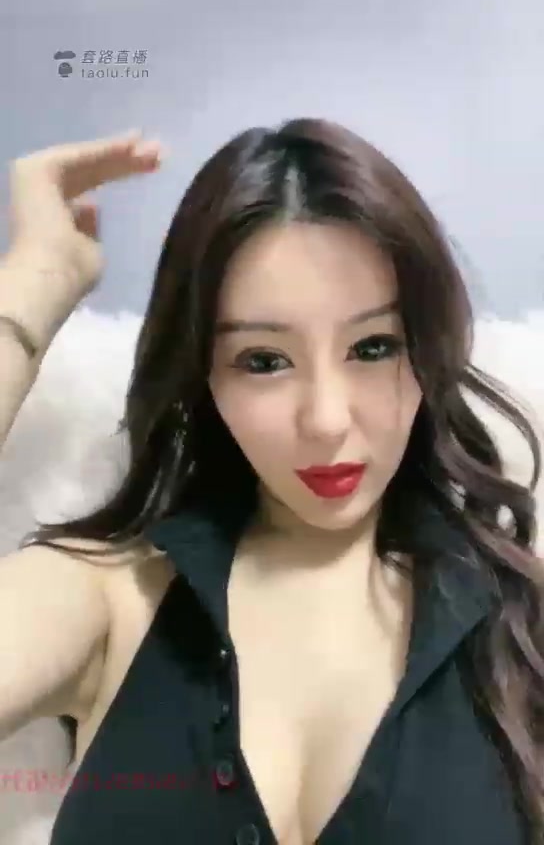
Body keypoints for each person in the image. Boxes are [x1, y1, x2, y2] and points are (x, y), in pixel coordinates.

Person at [0, 119, 542, 845]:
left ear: (428, 352)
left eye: (373, 347)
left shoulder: (522, 633)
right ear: (203, 375)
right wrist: (34, 284)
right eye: (263, 361)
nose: (325, 420)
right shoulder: (108, 598)